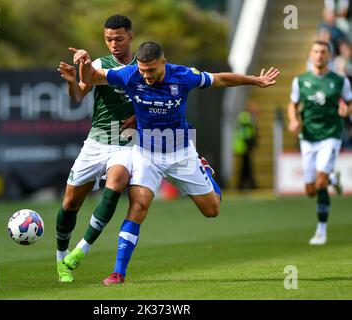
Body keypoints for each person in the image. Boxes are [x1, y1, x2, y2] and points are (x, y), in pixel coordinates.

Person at [72, 41, 280, 284]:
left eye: (151, 70)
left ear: (164, 62)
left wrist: (254, 80)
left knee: (212, 210)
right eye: (142, 70)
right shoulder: (129, 74)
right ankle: (119, 272)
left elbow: (220, 79)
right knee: (138, 206)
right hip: (146, 153)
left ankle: (203, 170)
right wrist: (84, 63)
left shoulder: (183, 76)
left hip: (180, 152)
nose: (146, 76)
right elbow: (93, 78)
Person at [54, 14, 137, 282]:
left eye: (119, 39)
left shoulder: (146, 64)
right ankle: (60, 260)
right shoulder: (100, 65)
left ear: (131, 37)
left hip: (126, 142)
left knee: (116, 186)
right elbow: (79, 95)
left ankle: (80, 251)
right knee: (70, 204)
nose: (114, 44)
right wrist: (71, 81)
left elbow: (159, 96)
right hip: (96, 141)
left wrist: (138, 117)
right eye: (108, 39)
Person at [287, 40, 352, 246]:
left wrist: (347, 110)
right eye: (316, 51)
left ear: (329, 56)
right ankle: (333, 179)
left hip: (331, 135)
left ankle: (321, 230)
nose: (319, 55)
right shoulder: (300, 80)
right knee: (310, 190)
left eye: (323, 52)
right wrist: (293, 120)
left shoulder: (340, 80)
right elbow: (293, 104)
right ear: (310, 54)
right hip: (308, 137)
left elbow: (349, 101)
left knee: (320, 183)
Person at [232, 102, 258, 190]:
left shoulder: (246, 116)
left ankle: (244, 183)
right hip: (243, 145)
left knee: (245, 165)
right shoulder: (245, 116)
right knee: (246, 165)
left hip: (244, 145)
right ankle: (248, 183)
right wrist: (249, 142)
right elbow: (245, 131)